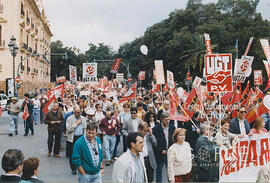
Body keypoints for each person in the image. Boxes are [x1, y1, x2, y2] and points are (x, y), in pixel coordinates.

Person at [153, 112, 175, 182]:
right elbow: (154, 143)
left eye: (169, 119)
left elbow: (174, 140)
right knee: (159, 171)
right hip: (160, 153)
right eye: (166, 120)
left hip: (170, 153)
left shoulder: (172, 127)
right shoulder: (156, 129)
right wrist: (160, 150)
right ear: (161, 119)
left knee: (170, 171)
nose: (168, 121)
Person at [66, 106, 87, 175]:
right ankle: (73, 169)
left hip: (81, 138)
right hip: (72, 139)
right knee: (72, 154)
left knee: (81, 154)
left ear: (80, 112)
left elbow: (85, 128)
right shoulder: (69, 118)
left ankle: (80, 168)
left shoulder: (83, 118)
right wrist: (76, 124)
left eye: (78, 112)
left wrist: (85, 137)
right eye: (75, 112)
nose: (77, 113)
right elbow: (68, 129)